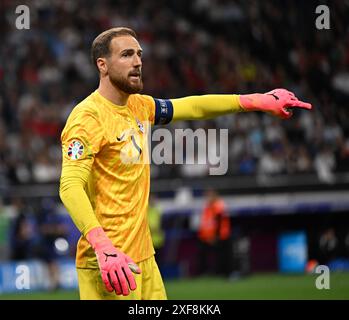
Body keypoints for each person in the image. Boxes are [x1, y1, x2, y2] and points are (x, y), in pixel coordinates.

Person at [59, 27, 312, 300]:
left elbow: (193, 106)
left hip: (144, 259)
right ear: (103, 65)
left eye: (139, 55)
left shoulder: (140, 107)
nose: (137, 62)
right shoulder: (87, 117)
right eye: (126, 54)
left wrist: (255, 101)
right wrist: (102, 245)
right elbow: (70, 186)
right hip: (110, 263)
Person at [197, 189, 231, 276]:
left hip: (221, 235)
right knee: (207, 255)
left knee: (223, 256)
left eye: (210, 195)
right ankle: (209, 271)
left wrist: (215, 236)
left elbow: (219, 222)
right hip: (208, 236)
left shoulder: (218, 205)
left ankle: (223, 272)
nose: (208, 198)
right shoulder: (209, 206)